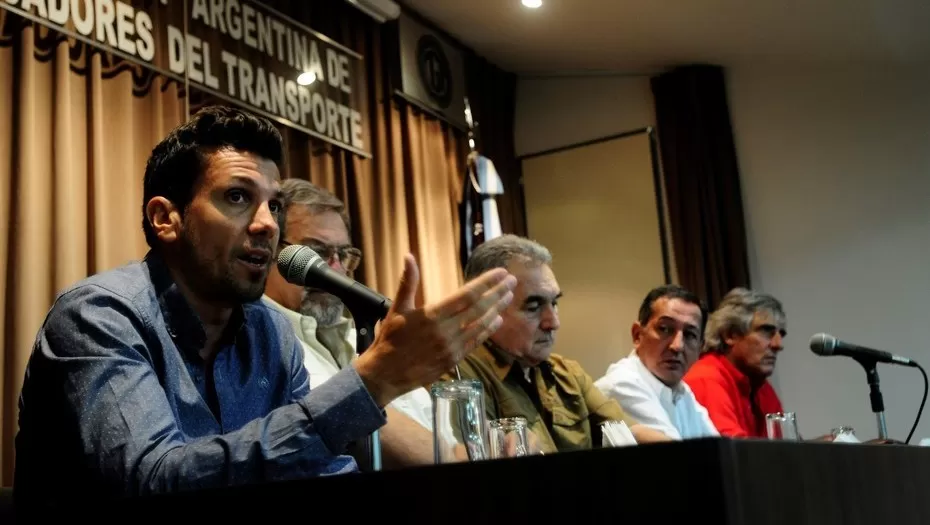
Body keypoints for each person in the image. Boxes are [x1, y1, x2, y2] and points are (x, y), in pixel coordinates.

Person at [13, 106, 516, 510]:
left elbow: (320, 471)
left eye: (273, 205)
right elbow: (155, 482)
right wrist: (370, 383)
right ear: (165, 218)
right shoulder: (98, 317)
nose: (266, 224)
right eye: (237, 197)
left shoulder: (271, 330)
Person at [262, 178, 436, 467]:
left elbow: (439, 432)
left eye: (343, 254)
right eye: (314, 251)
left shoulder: (363, 335)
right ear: (270, 251)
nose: (336, 269)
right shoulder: (260, 338)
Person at [446, 234, 670, 454]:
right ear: (484, 308)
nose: (553, 322)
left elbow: (630, 432)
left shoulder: (567, 373)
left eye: (554, 303)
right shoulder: (458, 378)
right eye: (533, 307)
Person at [594, 285, 718, 440]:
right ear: (637, 335)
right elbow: (679, 459)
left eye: (689, 335)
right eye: (665, 329)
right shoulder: (622, 384)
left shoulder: (681, 391)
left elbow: (719, 449)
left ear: (700, 348)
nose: (677, 346)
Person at [683, 287, 785, 438]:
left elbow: (786, 449)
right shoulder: (706, 378)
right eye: (766, 331)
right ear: (730, 334)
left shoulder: (762, 387)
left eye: (781, 334)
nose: (778, 344)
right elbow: (735, 454)